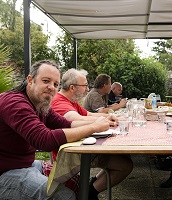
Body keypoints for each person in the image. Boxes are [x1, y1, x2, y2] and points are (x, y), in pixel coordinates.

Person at [0, 60, 124, 200]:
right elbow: (44, 140)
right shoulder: (15, 103)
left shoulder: (40, 104)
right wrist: (94, 127)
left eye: (55, 84)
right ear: (30, 80)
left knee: (77, 184)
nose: (51, 87)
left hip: (21, 164)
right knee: (65, 196)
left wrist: (103, 122)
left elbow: (65, 123)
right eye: (46, 81)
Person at [51, 68, 133, 199]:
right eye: (85, 86)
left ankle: (90, 185)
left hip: (84, 145)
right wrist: (105, 119)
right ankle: (89, 193)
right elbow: (75, 119)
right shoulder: (59, 102)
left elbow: (88, 114)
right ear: (72, 87)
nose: (88, 89)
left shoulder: (69, 101)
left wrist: (107, 117)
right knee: (125, 165)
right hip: (74, 153)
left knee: (124, 156)